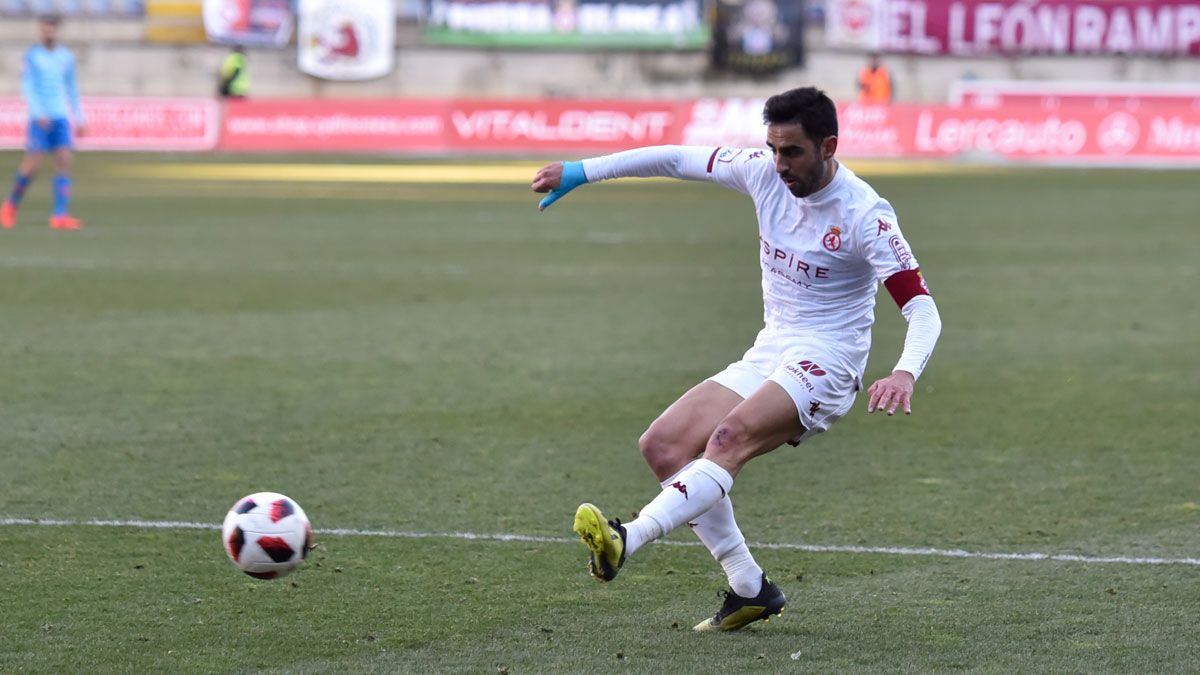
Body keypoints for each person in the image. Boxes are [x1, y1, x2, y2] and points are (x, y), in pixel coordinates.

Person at [530, 87, 941, 632]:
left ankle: (626, 538)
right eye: (772, 148)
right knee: (664, 445)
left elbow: (923, 310)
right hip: (772, 348)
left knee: (726, 441)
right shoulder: (761, 173)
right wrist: (583, 171)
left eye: (792, 151)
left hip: (829, 361)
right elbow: (677, 158)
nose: (779, 163)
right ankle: (750, 588)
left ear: (828, 146)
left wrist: (905, 371)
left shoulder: (866, 214)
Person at [1, 14, 85, 231]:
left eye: (52, 29)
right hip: (40, 118)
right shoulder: (32, 56)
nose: (48, 33)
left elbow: (72, 88)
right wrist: (38, 113)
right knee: (32, 166)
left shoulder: (66, 57)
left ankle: (59, 216)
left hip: (59, 117)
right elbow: (27, 86)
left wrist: (79, 117)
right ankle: (10, 206)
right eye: (44, 29)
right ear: (40, 31)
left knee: (64, 161)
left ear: (57, 31)